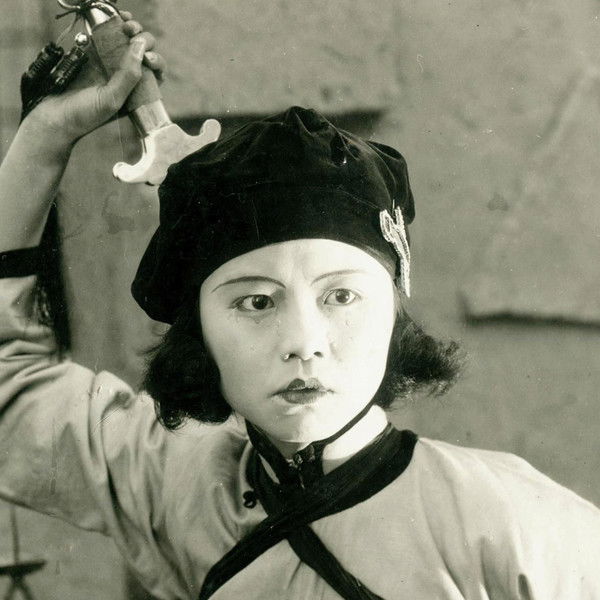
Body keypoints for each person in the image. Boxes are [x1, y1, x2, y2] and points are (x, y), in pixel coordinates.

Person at [1, 15, 599, 600]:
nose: (303, 342)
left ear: (394, 311)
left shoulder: (518, 527)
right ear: (199, 331)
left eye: (341, 296)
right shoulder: (180, 486)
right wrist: (45, 137)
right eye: (256, 301)